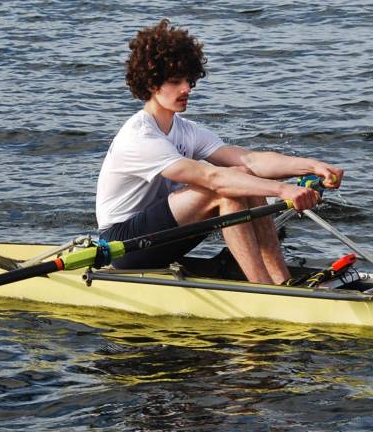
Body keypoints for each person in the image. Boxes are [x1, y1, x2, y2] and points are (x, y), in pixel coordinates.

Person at [95, 19, 344, 285]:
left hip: (162, 236)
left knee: (244, 177)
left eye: (188, 79)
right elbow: (212, 178)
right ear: (151, 84)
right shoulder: (140, 136)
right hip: (122, 246)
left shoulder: (186, 129)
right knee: (226, 188)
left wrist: (312, 166)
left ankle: (281, 282)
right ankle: (263, 288)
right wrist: (283, 190)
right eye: (176, 81)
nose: (186, 88)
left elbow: (250, 160)